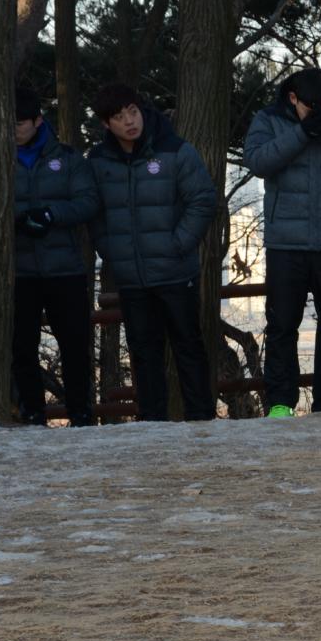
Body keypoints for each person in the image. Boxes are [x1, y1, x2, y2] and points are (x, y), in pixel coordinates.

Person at [243, 66, 321, 416]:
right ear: (293, 98)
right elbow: (257, 161)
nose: (320, 113)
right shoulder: (269, 119)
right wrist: (301, 133)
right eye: (311, 107)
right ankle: (281, 402)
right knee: (283, 326)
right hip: (287, 243)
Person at [86, 84, 218, 421]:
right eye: (118, 117)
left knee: (188, 347)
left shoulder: (175, 150)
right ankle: (152, 423)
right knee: (144, 353)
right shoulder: (99, 161)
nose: (129, 121)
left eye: (133, 111)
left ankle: (202, 418)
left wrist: (178, 244)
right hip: (131, 275)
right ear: (106, 124)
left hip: (176, 271)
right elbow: (94, 211)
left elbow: (202, 200)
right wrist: (111, 249)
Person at [11, 85, 100, 426]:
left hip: (65, 269)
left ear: (37, 121)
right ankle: (32, 414)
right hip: (20, 271)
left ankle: (81, 413)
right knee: (22, 348)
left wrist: (51, 215)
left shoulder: (67, 158)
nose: (13, 130)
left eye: (19, 123)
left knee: (75, 346)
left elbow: (88, 201)